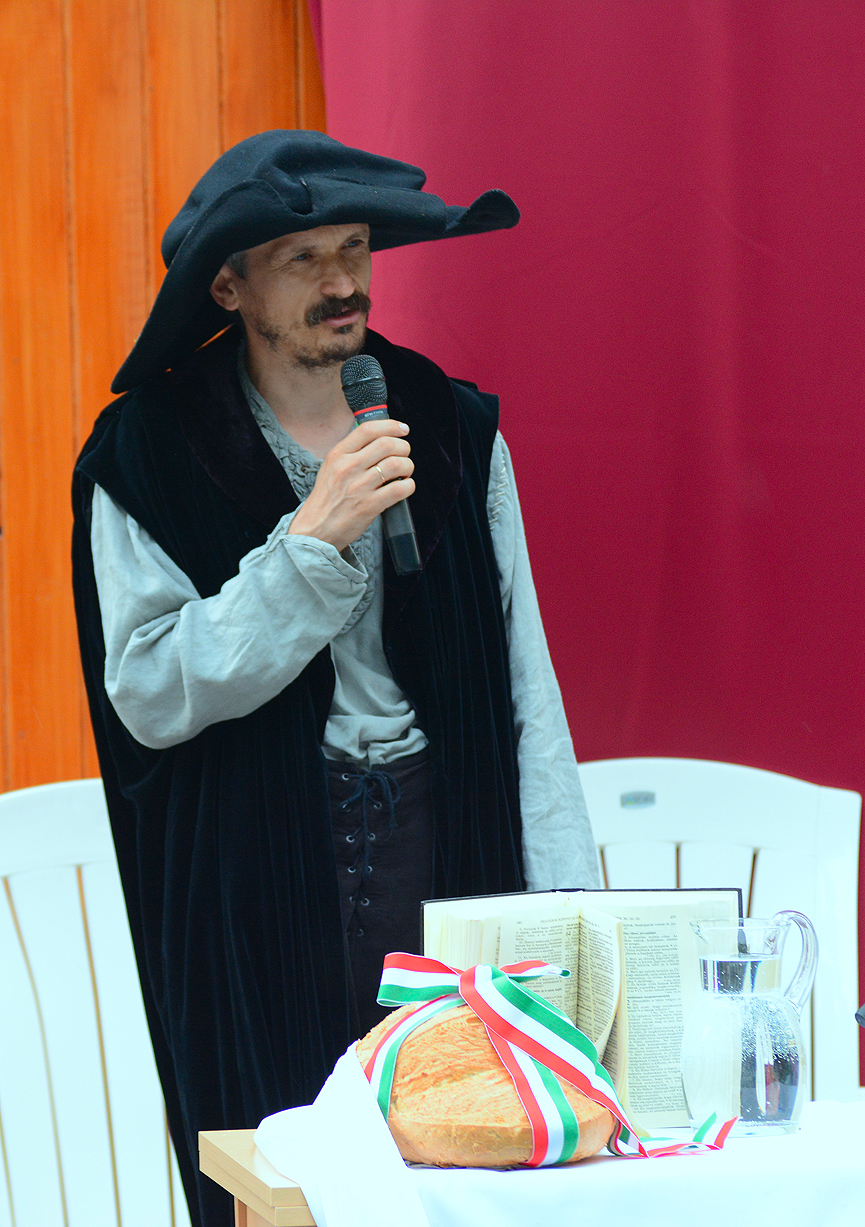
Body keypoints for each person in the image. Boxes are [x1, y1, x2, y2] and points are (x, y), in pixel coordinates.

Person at [72, 130, 599, 1227]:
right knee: (280, 1184)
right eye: (303, 258)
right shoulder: (148, 453)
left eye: (355, 249)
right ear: (229, 286)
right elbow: (150, 691)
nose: (342, 280)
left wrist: (566, 914)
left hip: (445, 849)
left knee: (469, 1171)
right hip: (253, 872)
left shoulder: (447, 426)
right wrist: (308, 542)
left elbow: (525, 688)